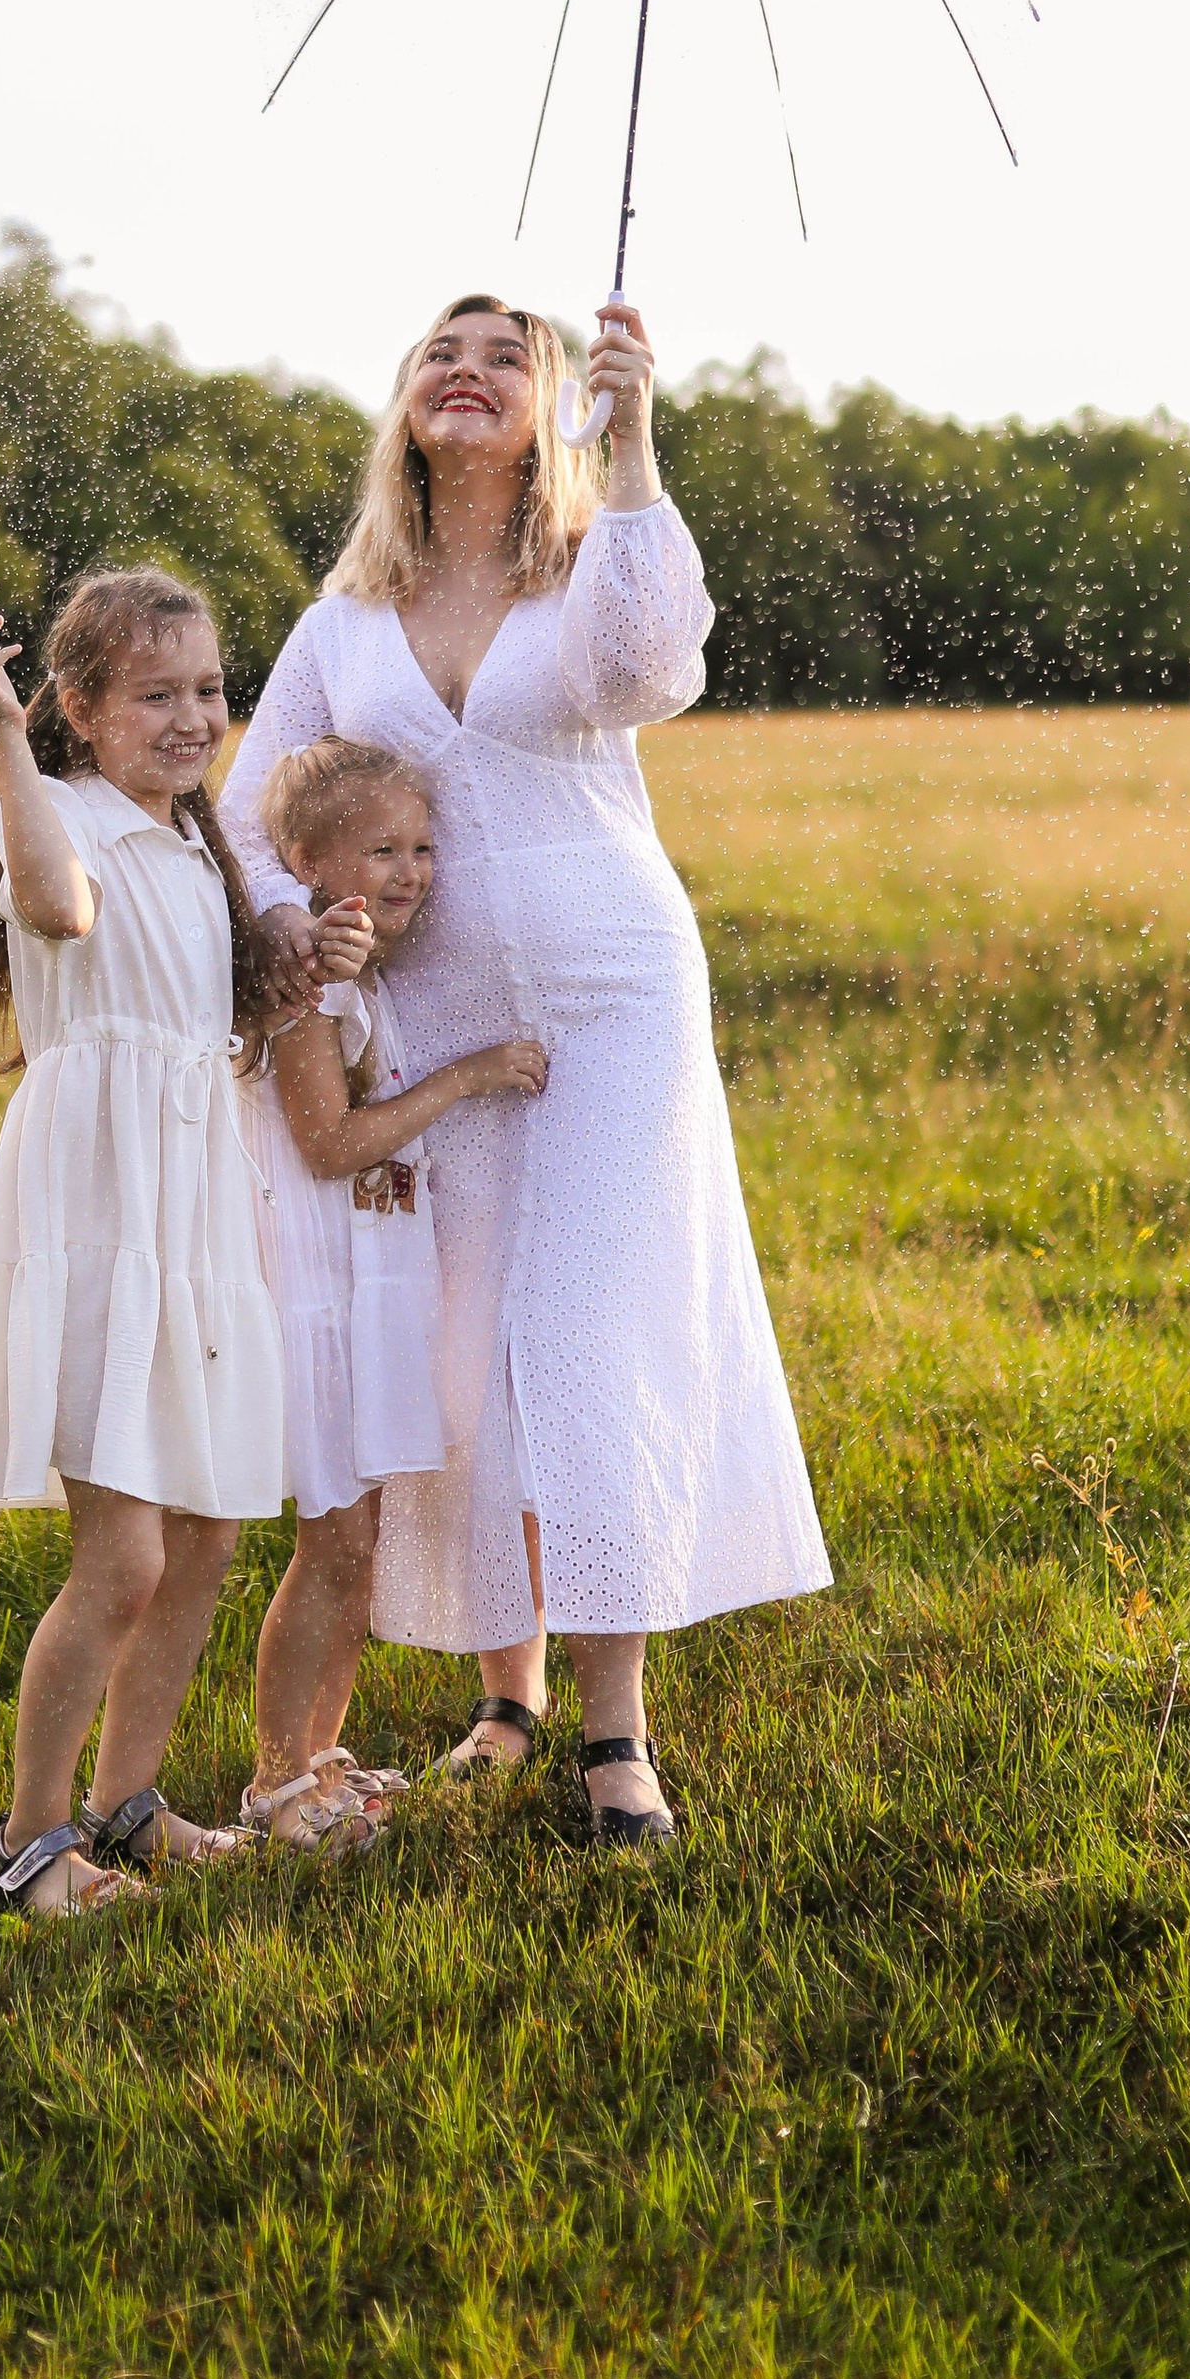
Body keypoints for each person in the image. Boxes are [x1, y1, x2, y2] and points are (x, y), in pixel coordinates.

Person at [222, 295, 831, 1844]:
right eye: (444, 352)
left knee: (593, 1336)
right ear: (407, 408)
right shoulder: (345, 617)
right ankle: (510, 1694)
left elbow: (649, 672)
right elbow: (247, 815)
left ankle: (616, 1732)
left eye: (510, 357)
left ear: (553, 404)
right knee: (471, 1347)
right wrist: (306, 933)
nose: (471, 372)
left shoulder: (594, 569)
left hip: (613, 1005)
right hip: (433, 1029)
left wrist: (632, 448)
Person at [0, 565, 350, 1919]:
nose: (191, 718)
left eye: (210, 692)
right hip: (106, 1219)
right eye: (155, 695)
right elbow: (57, 913)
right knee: (122, 1557)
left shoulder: (193, 844)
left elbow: (221, 1025)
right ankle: (32, 1845)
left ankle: (130, 1802)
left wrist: (318, 955)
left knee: (211, 1529)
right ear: (82, 710)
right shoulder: (59, 816)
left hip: (198, 1215)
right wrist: (4, 733)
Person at [241, 734, 548, 1853]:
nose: (412, 870)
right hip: (317, 1297)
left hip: (365, 1292)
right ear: (305, 859)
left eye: (422, 846)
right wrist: (466, 1079)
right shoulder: (308, 985)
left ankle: (318, 1765)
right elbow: (326, 1143)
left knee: (354, 1551)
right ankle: (280, 1787)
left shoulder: (358, 973)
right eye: (382, 849)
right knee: (328, 1549)